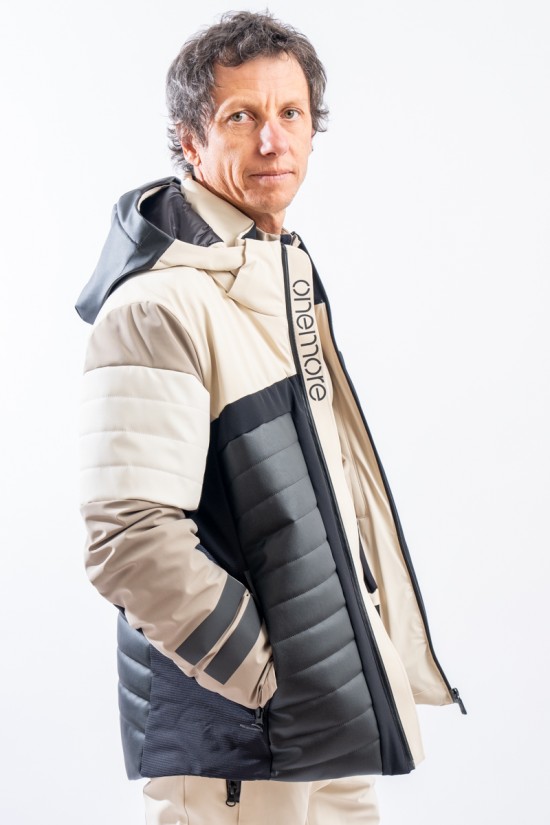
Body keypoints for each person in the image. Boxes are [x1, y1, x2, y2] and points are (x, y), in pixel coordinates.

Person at [76, 11, 465, 825]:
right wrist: (268, 675)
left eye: (291, 112)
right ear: (190, 140)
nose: (272, 140)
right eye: (240, 116)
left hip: (328, 714)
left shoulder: (275, 275)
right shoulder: (161, 303)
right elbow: (129, 538)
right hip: (244, 740)